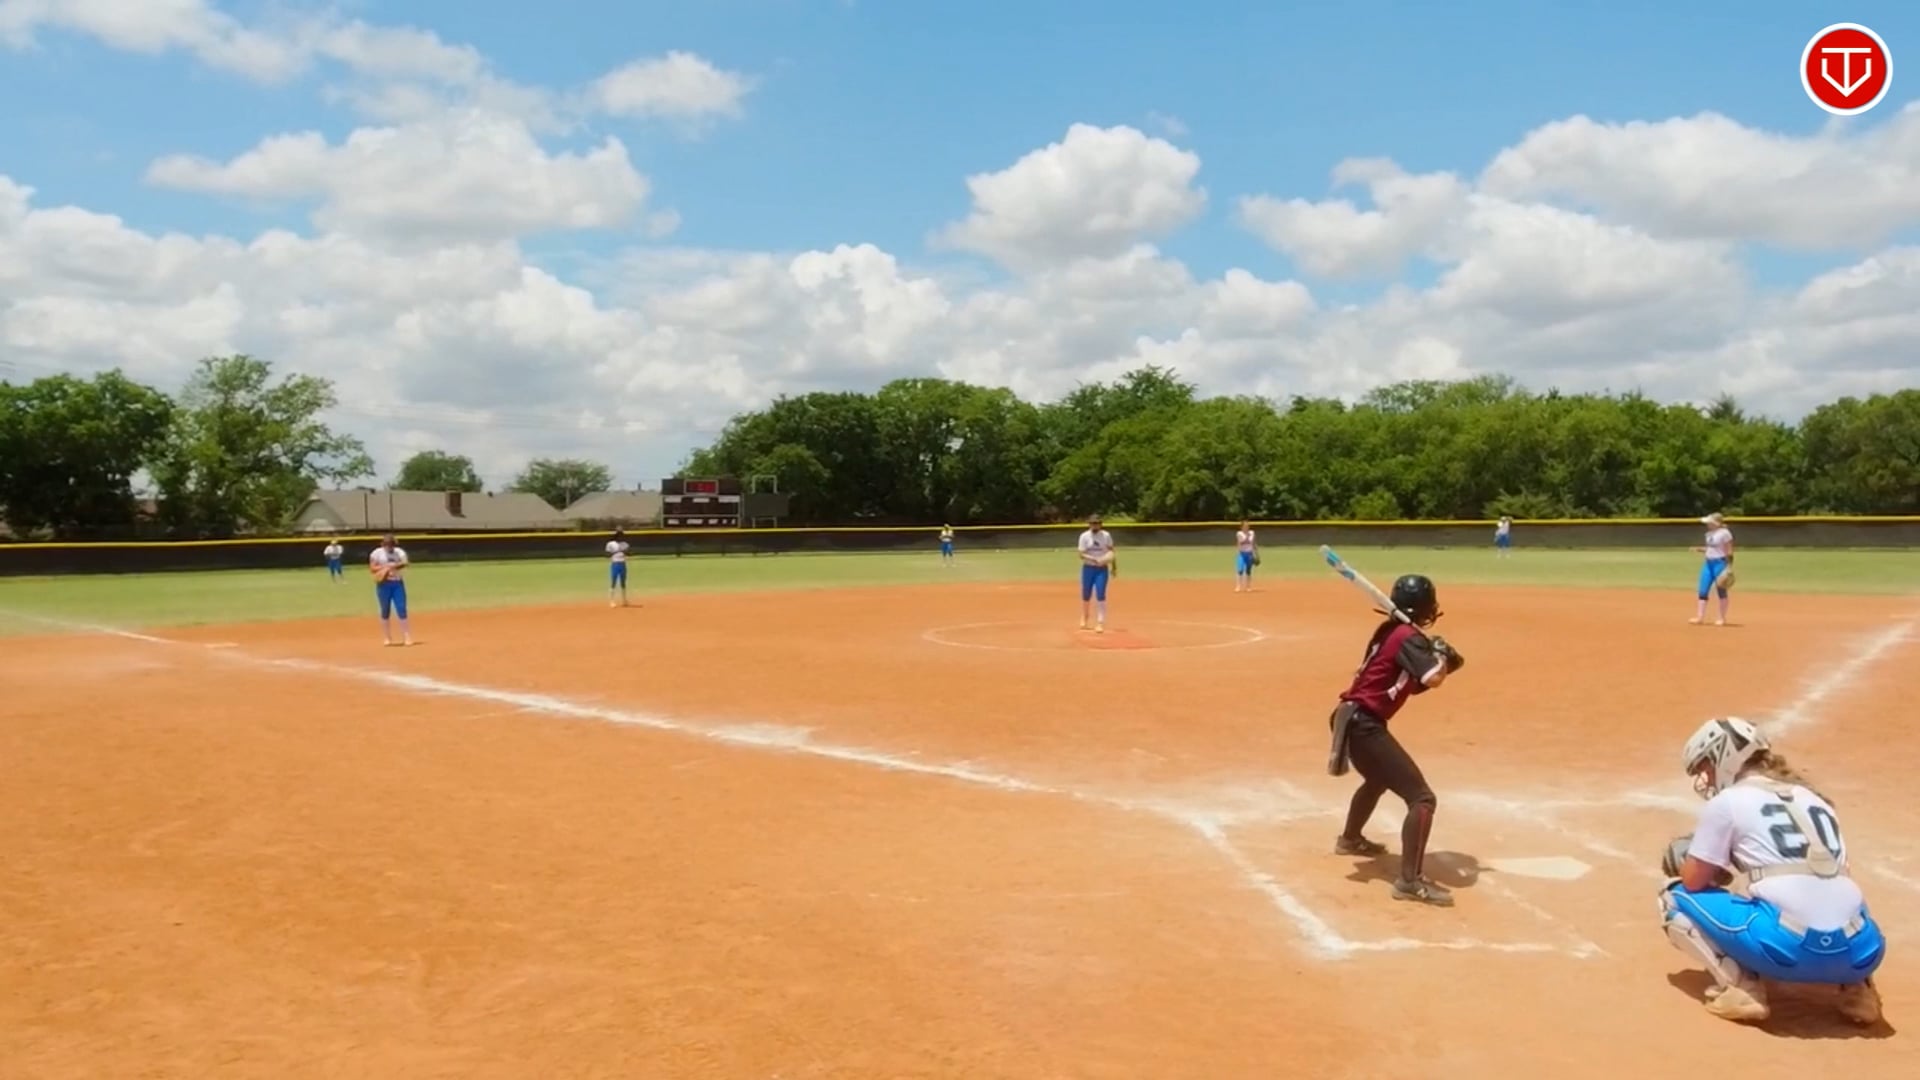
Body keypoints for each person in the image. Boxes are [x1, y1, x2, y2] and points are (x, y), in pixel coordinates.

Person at [1658, 717, 1884, 1025]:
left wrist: (1693, 859)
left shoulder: (1728, 801)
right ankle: (1860, 993)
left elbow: (1693, 881)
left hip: (1786, 951)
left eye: (1706, 767)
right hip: (1861, 952)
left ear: (1724, 756)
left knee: (1672, 895)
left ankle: (1741, 989)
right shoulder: (1816, 800)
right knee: (1839, 891)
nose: (1705, 778)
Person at [1325, 573, 1465, 907]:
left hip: (1351, 717)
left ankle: (1350, 839)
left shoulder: (1389, 631)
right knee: (1422, 798)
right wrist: (1441, 660)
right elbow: (1432, 678)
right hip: (1364, 724)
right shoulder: (1408, 637)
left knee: (1378, 779)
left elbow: (1408, 683)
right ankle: (1409, 882)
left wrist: (1441, 662)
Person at [1690, 512, 1735, 625]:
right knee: (1703, 590)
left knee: (1721, 590)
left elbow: (1729, 551)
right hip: (1708, 564)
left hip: (1720, 564)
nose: (1707, 524)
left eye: (1709, 522)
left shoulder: (1725, 533)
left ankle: (1722, 618)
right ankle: (1700, 617)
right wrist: (1700, 549)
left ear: (1717, 523)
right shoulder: (1708, 534)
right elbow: (1711, 548)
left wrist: (1729, 567)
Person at [368, 535, 413, 647]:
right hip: (383, 584)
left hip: (397, 583)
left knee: (401, 608)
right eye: (387, 544)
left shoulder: (399, 552)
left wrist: (393, 566)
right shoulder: (376, 553)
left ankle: (407, 636)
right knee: (385, 610)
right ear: (383, 544)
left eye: (391, 544)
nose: (389, 547)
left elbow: (405, 562)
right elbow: (372, 568)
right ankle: (387, 637)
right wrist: (385, 568)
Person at [1076, 514, 1115, 633]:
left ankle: (1100, 622)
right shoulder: (1084, 536)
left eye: (1097, 523)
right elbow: (1081, 554)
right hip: (1088, 568)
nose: (1094, 525)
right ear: (1089, 524)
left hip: (1101, 569)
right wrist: (1093, 559)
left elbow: (1111, 551)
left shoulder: (1106, 535)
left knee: (1100, 593)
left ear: (1100, 524)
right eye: (1092, 523)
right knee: (1086, 593)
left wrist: (1113, 566)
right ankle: (1085, 616)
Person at [606, 528, 630, 607]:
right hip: (615, 563)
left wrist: (625, 551)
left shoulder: (625, 544)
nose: (620, 536)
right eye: (619, 535)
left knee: (623, 582)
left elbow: (628, 553)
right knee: (613, 581)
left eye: (621, 535)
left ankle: (624, 600)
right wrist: (616, 551)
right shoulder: (611, 544)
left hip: (622, 563)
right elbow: (607, 554)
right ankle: (612, 601)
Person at [1234, 519, 1258, 592]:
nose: (1247, 527)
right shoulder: (1239, 534)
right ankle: (1238, 586)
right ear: (1241, 527)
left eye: (1247, 525)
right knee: (1240, 570)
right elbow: (1240, 542)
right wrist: (1238, 553)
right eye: (1245, 526)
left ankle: (1248, 587)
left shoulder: (1252, 533)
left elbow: (1253, 543)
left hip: (1249, 554)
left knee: (1248, 571)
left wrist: (1256, 554)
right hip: (1242, 554)